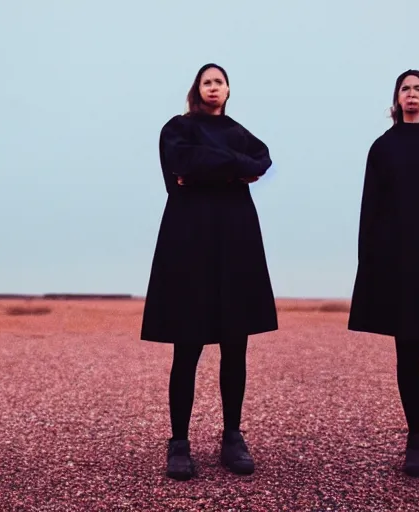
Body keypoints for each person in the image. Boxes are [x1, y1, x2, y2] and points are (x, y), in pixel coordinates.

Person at [140, 63, 278, 481]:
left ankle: (232, 436)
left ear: (229, 89)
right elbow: (183, 163)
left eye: (219, 81)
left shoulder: (238, 130)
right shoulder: (177, 128)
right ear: (196, 89)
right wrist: (235, 170)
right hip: (190, 243)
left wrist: (212, 167)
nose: (213, 87)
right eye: (207, 81)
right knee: (188, 345)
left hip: (235, 242)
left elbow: (264, 159)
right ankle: (178, 442)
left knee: (236, 345)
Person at [348, 69, 419, 478]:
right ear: (397, 99)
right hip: (402, 268)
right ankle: (416, 438)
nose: (412, 94)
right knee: (408, 356)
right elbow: (369, 212)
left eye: (418, 88)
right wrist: (369, 266)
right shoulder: (383, 148)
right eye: (405, 89)